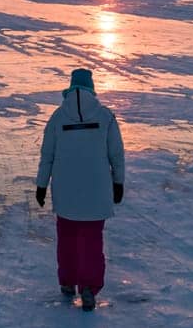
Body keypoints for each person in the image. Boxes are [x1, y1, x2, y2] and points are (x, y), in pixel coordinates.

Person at [35, 67, 125, 310]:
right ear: (91, 89)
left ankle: (67, 282)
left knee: (67, 238)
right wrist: (118, 182)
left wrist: (41, 186)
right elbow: (116, 155)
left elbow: (47, 156)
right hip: (97, 193)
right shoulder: (106, 116)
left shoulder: (57, 117)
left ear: (70, 88)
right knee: (92, 241)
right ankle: (88, 287)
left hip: (65, 194)